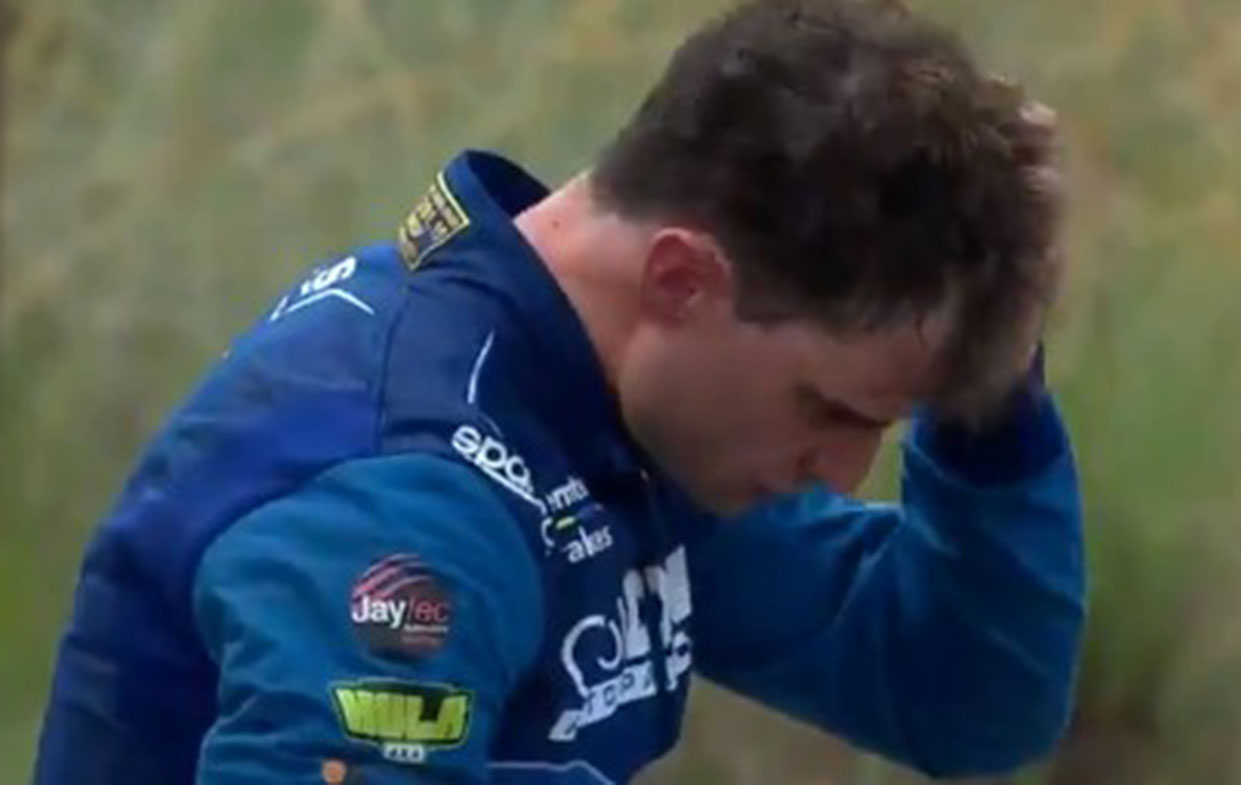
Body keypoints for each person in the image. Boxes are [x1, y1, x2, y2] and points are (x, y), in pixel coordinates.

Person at [33, 0, 1085, 782]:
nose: (844, 472)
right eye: (829, 408)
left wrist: (990, 392)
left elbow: (958, 696)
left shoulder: (615, 418)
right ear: (680, 279)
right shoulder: (414, 495)